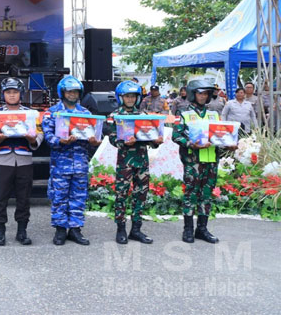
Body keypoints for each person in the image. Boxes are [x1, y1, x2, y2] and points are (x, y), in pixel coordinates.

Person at [172, 78, 237, 244]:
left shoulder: (213, 114)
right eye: (200, 93)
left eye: (206, 93)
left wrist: (228, 145)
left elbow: (220, 135)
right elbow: (176, 136)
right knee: (191, 194)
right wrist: (191, 144)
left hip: (211, 160)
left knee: (206, 195)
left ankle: (202, 229)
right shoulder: (183, 113)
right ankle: (188, 229)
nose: (203, 96)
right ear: (193, 94)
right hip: (193, 161)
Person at [41, 76, 101, 246]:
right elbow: (48, 136)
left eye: (75, 91)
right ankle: (60, 229)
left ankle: (75, 229)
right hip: (60, 164)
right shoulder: (52, 113)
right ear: (62, 93)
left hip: (80, 164)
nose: (72, 94)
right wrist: (61, 141)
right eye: (69, 91)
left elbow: (95, 136)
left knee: (79, 197)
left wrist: (95, 141)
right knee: (59, 197)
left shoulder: (86, 114)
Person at [0, 77, 42, 246]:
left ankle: (22, 231)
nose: (12, 95)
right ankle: (0, 231)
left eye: (15, 92)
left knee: (24, 198)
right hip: (2, 159)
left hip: (24, 160)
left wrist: (33, 139)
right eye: (8, 92)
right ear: (3, 94)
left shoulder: (31, 114)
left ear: (21, 94)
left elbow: (40, 133)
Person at [104, 80, 162, 245]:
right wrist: (123, 142)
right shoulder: (115, 116)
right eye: (127, 96)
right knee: (121, 195)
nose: (130, 99)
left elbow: (150, 137)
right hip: (125, 163)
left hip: (142, 161)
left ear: (138, 98)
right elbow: (112, 138)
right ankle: (121, 229)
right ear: (121, 97)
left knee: (140, 195)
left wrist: (156, 141)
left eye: (133, 96)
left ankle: (136, 229)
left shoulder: (144, 116)